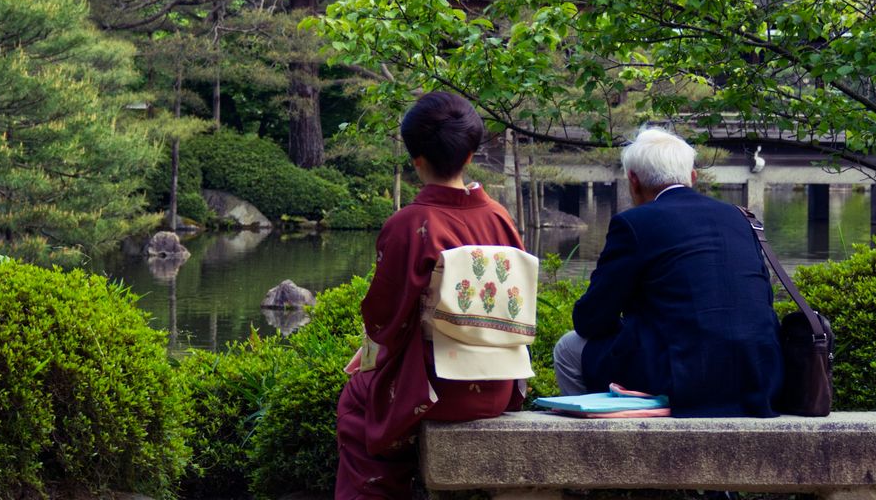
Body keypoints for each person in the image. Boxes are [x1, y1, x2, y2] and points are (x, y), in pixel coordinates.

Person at [335, 92, 526, 499]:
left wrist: (375, 353)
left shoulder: (411, 223)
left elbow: (384, 319)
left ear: (416, 158)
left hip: (437, 391)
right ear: (470, 155)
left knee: (357, 403)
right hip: (499, 385)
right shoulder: (500, 217)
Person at [553, 127, 782, 417]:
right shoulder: (742, 219)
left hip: (685, 377)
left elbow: (590, 320)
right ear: (693, 177)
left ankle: (597, 449)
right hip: (761, 375)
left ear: (633, 181)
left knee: (568, 348)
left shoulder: (634, 223)